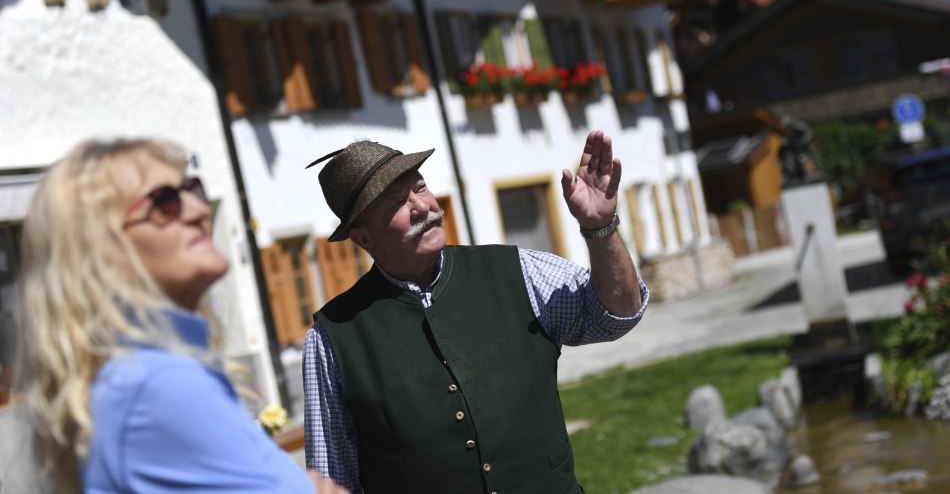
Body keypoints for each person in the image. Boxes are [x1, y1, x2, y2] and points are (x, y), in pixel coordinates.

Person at [302, 130, 649, 493]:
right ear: (364, 238)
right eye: (397, 204)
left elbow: (617, 315)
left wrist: (600, 228)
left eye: (420, 188)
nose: (423, 207)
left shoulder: (516, 270)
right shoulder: (334, 336)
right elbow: (330, 478)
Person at [13, 138, 348, 493]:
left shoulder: (141, 375)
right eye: (164, 201)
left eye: (192, 189)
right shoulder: (155, 385)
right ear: (102, 251)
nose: (199, 210)